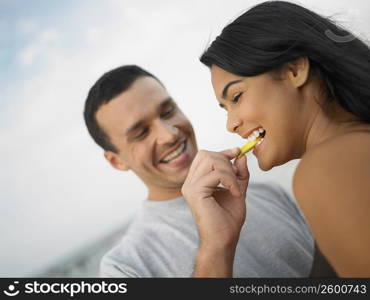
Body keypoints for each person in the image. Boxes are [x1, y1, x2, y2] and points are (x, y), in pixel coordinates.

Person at [182, 1, 370, 277]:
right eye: (225, 108)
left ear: (294, 71)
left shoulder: (325, 169)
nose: (231, 124)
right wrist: (218, 242)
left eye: (236, 97)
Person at [83, 65, 313, 277]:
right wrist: (215, 246)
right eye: (141, 133)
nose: (169, 134)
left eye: (167, 111)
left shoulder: (269, 192)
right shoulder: (125, 268)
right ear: (115, 161)